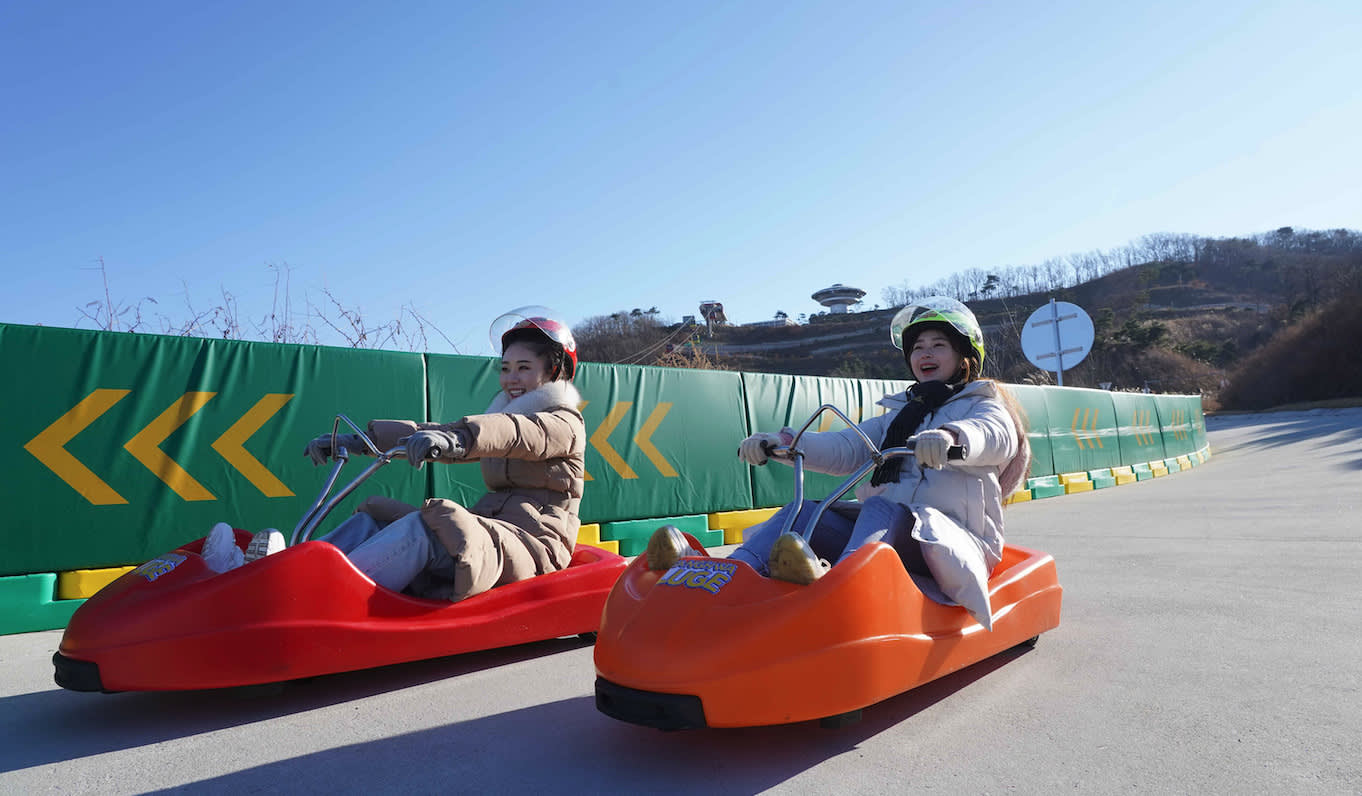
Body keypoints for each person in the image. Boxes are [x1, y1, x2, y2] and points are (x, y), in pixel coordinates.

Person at [646, 296, 1029, 604]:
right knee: (806, 511)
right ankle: (723, 579)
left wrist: (951, 437)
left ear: (964, 356)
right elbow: (845, 446)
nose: (925, 354)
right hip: (890, 537)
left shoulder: (982, 404)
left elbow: (995, 435)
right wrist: (785, 443)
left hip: (952, 542)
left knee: (878, 508)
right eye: (918, 347)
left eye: (938, 345)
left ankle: (839, 591)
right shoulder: (898, 417)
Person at [200, 306, 586, 602]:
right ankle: (264, 573)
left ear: (554, 370)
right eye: (505, 368)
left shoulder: (563, 423)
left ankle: (305, 592)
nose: (511, 379)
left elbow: (516, 435)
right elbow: (444, 430)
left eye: (523, 368)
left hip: (535, 546)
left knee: (426, 526)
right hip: (498, 533)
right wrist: (355, 441)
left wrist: (458, 440)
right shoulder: (502, 420)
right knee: (374, 519)